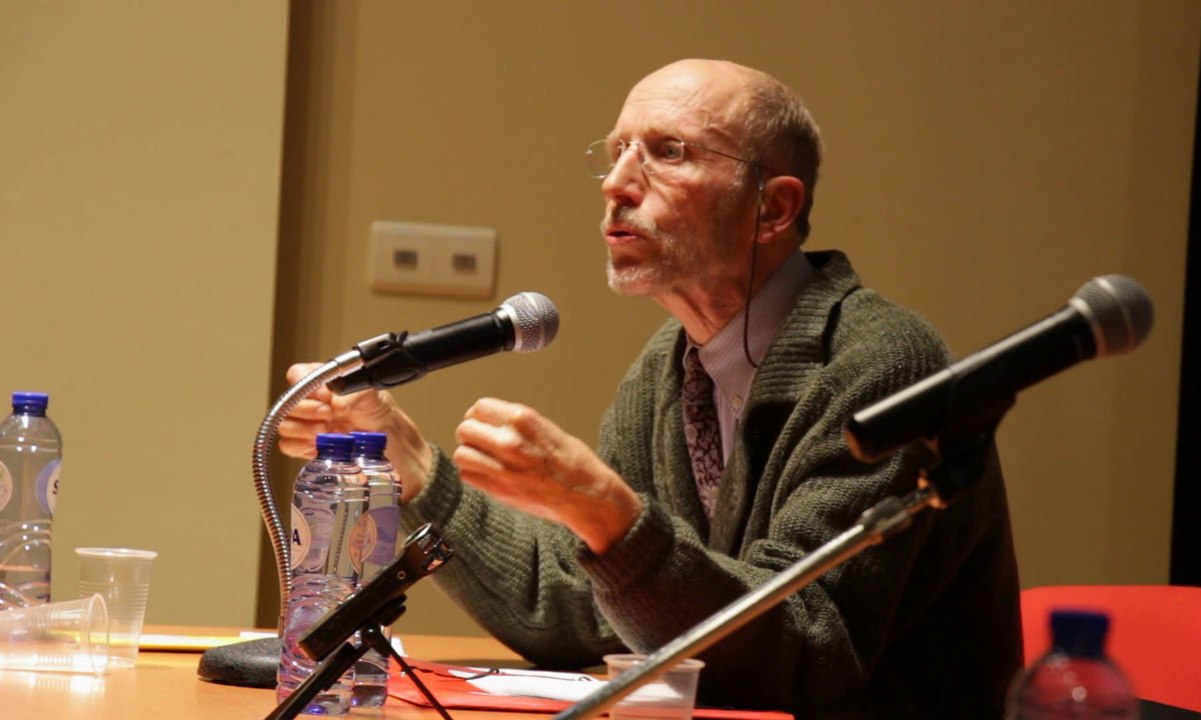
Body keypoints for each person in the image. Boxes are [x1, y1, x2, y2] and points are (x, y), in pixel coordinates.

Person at [280, 59, 1022, 719]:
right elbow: (578, 610)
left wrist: (604, 512)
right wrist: (415, 467)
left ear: (774, 207)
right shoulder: (670, 367)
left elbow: (807, 655)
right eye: (614, 154)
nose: (616, 183)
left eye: (668, 152)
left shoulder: (878, 364)